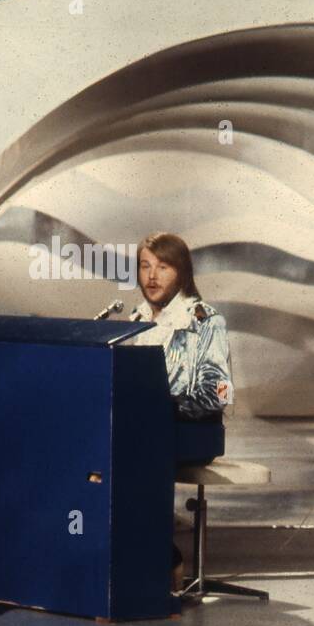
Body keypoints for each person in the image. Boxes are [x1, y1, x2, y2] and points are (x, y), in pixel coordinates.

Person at [127, 232, 234, 590]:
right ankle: (132, 563)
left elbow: (217, 394)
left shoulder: (205, 320)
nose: (151, 276)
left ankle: (164, 560)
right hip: (146, 429)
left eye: (163, 267)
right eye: (145, 266)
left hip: (194, 430)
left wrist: (162, 404)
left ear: (182, 272)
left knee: (130, 453)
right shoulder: (136, 318)